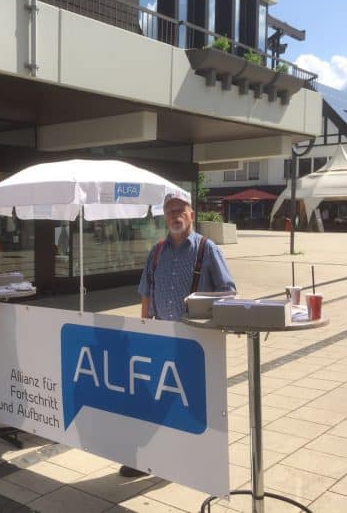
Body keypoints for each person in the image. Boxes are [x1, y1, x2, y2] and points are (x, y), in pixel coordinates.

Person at [119, 192, 236, 478]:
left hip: (194, 340)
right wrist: (144, 329)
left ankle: (193, 460)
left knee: (189, 404)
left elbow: (229, 293)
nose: (175, 216)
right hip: (160, 337)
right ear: (163, 217)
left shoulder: (207, 250)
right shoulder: (157, 251)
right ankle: (148, 458)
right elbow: (146, 292)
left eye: (180, 210)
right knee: (153, 400)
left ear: (192, 215)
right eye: (169, 211)